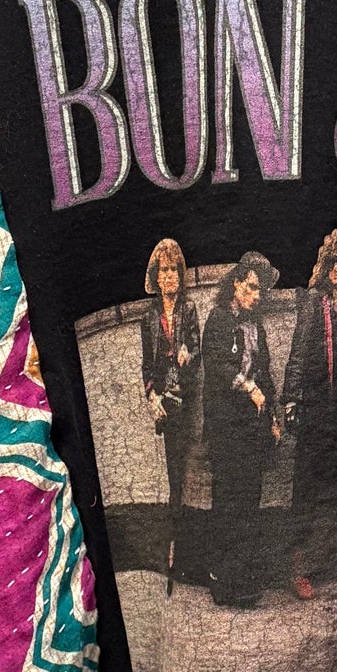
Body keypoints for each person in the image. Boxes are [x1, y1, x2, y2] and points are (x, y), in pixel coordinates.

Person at [200, 250, 280, 608]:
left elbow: (265, 372)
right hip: (227, 428)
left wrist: (273, 417)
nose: (256, 295)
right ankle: (221, 580)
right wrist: (249, 388)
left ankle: (242, 579)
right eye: (251, 287)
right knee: (228, 501)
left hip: (252, 428)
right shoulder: (219, 319)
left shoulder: (255, 325)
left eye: (260, 290)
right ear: (235, 284)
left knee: (249, 500)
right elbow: (217, 364)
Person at [283, 228, 337, 597]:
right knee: (307, 489)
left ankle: (324, 563)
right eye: (331, 265)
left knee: (333, 487)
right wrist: (291, 401)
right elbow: (297, 353)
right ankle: (298, 569)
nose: (336, 271)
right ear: (323, 268)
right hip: (314, 411)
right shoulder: (313, 302)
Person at [139, 237, 199, 593]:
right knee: (173, 478)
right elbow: (147, 366)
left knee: (186, 478)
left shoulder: (189, 310)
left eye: (174, 270)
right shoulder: (148, 317)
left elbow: (196, 348)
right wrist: (152, 397)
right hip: (164, 403)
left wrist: (188, 352)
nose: (169, 276)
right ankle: (174, 555)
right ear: (156, 276)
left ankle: (184, 555)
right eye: (164, 271)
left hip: (185, 402)